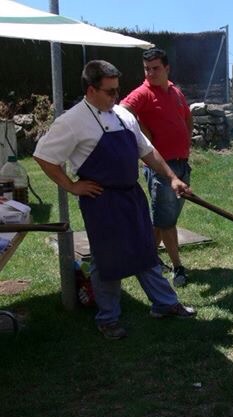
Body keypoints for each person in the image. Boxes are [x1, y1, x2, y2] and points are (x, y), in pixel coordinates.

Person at [33, 60, 196, 340]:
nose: (115, 97)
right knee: (107, 260)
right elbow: (44, 156)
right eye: (109, 92)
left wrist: (172, 178)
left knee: (145, 251)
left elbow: (147, 151)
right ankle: (108, 318)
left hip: (131, 195)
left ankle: (165, 304)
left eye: (117, 90)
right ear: (90, 90)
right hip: (101, 201)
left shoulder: (123, 115)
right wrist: (71, 186)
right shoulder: (72, 122)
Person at [121, 48, 193, 288]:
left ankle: (146, 259)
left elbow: (187, 117)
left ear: (167, 69)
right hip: (161, 167)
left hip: (181, 164)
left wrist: (186, 141)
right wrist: (141, 130)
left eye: (155, 68)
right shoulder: (143, 93)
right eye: (147, 69)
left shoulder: (175, 91)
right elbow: (122, 111)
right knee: (167, 221)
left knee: (164, 218)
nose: (150, 73)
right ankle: (178, 267)